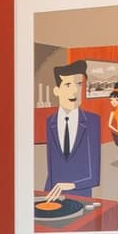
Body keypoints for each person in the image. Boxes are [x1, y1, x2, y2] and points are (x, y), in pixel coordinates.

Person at [39, 59, 102, 203]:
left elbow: (94, 173)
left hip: (81, 193)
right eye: (68, 84)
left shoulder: (92, 121)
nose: (75, 90)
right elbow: (52, 165)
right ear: (57, 90)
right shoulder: (51, 121)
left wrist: (72, 185)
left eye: (79, 84)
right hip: (52, 191)